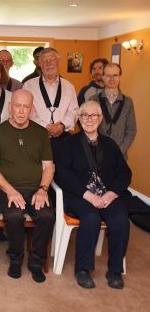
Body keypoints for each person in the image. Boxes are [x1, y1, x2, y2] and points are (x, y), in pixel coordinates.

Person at [55, 100, 131, 289]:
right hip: (79, 195)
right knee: (90, 218)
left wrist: (111, 194)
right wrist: (87, 195)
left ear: (100, 118)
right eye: (85, 115)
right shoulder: (68, 143)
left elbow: (124, 173)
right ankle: (82, 269)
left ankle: (114, 271)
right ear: (79, 119)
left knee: (121, 219)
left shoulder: (110, 144)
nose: (89, 119)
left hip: (107, 195)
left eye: (94, 115)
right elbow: (63, 173)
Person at [0, 89, 55, 283]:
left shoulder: (41, 133)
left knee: (47, 215)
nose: (21, 111)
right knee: (14, 215)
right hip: (5, 189)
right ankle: (16, 258)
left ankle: (36, 261)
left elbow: (48, 167)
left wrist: (43, 189)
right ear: (10, 107)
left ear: (31, 109)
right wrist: (11, 191)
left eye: (26, 107)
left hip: (35, 189)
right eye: (17, 106)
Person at [23, 47, 79, 160]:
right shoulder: (29, 85)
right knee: (38, 174)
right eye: (44, 60)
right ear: (40, 64)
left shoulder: (68, 86)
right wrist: (47, 127)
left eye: (52, 60)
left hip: (63, 139)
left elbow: (74, 110)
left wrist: (62, 125)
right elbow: (27, 111)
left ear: (58, 62)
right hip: (37, 139)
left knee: (62, 174)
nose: (48, 63)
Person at [89, 63, 136, 157]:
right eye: (108, 75)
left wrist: (120, 151)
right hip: (97, 154)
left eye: (115, 75)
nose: (112, 79)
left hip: (120, 155)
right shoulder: (93, 100)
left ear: (119, 77)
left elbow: (131, 130)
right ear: (103, 77)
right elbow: (89, 128)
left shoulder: (128, 102)